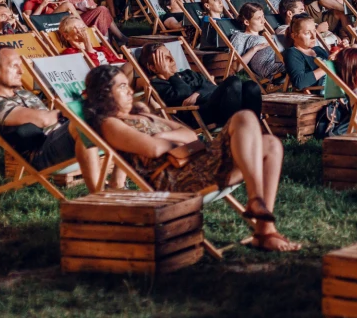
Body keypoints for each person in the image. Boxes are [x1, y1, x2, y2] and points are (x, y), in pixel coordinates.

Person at [83, 63, 299, 252]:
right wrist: (165, 139)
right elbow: (153, 149)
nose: (130, 91)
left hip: (200, 162)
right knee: (243, 116)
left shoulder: (142, 115)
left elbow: (188, 134)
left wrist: (162, 134)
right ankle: (258, 210)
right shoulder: (110, 124)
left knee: (271, 143)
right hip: (178, 179)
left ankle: (264, 230)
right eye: (121, 87)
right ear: (104, 93)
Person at [0, 46, 98, 179]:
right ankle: (98, 192)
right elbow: (44, 120)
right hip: (41, 154)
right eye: (14, 66)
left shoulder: (24, 93)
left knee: (112, 117)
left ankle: (118, 184)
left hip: (59, 139)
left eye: (20, 66)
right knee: (81, 127)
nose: (21, 71)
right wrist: (71, 112)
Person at [139, 41, 263, 131]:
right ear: (153, 67)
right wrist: (168, 74)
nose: (172, 59)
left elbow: (212, 86)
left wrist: (198, 93)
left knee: (251, 86)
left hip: (218, 106)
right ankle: (233, 132)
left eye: (170, 54)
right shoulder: (158, 85)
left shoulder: (188, 74)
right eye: (166, 58)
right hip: (198, 115)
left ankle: (254, 131)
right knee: (234, 81)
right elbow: (185, 93)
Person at [230, 3, 284, 81]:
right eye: (259, 18)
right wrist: (255, 48)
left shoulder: (267, 36)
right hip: (270, 65)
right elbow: (235, 67)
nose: (263, 21)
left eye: (263, 17)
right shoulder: (240, 36)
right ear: (247, 22)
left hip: (283, 59)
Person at [282, 13, 336, 91]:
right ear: (294, 36)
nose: (313, 37)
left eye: (314, 31)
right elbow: (299, 82)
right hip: (326, 91)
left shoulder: (318, 49)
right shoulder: (292, 53)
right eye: (307, 33)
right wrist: (327, 67)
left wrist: (342, 53)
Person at [55, 15, 123, 67]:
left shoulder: (101, 49)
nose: (82, 30)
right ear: (67, 36)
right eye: (77, 28)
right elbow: (93, 68)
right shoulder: (70, 54)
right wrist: (86, 41)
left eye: (83, 27)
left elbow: (118, 61)